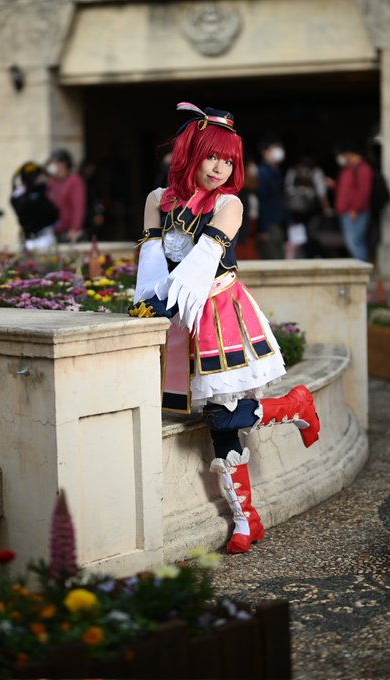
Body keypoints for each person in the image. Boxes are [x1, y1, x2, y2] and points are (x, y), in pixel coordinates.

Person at [128, 102, 320, 555]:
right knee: (220, 428)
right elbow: (152, 258)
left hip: (218, 313)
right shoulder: (158, 199)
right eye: (212, 156)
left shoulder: (228, 204)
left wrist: (158, 304)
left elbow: (201, 264)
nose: (220, 169)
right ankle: (245, 520)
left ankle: (297, 404)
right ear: (190, 153)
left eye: (229, 161)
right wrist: (145, 301)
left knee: (223, 415)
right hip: (181, 318)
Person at [334, 141, 374, 262]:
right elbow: (346, 190)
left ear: (348, 154)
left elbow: (364, 191)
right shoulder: (347, 170)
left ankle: (363, 268)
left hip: (356, 212)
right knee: (351, 241)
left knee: (354, 241)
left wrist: (355, 209)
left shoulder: (363, 169)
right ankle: (360, 268)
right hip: (346, 212)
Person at [10, 161, 59, 250]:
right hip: (38, 240)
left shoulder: (37, 193)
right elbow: (52, 213)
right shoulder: (30, 195)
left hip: (42, 239)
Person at [256, 137, 289, 259]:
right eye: (274, 148)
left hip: (278, 222)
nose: (278, 151)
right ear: (265, 152)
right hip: (269, 224)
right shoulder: (263, 172)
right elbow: (263, 201)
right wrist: (263, 229)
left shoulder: (276, 171)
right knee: (273, 258)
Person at [47, 148, 86, 243]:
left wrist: (75, 228)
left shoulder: (74, 181)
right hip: (53, 231)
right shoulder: (53, 181)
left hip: (67, 232)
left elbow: (78, 206)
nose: (52, 166)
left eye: (54, 163)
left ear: (63, 164)